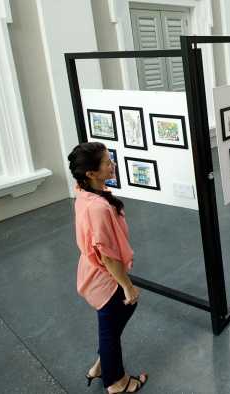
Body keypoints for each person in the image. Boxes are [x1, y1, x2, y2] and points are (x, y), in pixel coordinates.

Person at [68, 142, 148, 393]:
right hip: (104, 277)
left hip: (90, 272)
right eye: (106, 162)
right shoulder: (99, 207)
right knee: (112, 325)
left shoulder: (82, 191)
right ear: (91, 173)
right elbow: (108, 257)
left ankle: (101, 366)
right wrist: (127, 286)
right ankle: (117, 383)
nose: (112, 164)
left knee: (111, 323)